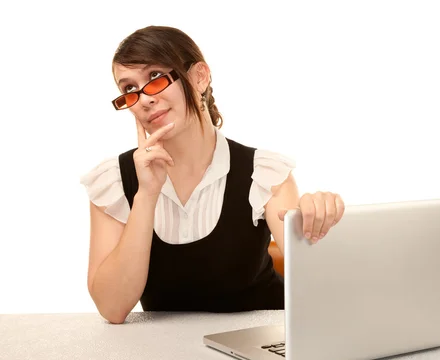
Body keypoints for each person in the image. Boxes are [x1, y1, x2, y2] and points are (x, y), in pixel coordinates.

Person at [79, 26, 345, 324]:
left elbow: (316, 285)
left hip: (265, 343)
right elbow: (112, 308)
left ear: (199, 77)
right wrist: (147, 195)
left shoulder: (264, 172)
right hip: (167, 357)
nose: (143, 99)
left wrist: (320, 217)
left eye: (155, 77)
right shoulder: (113, 182)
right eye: (129, 89)